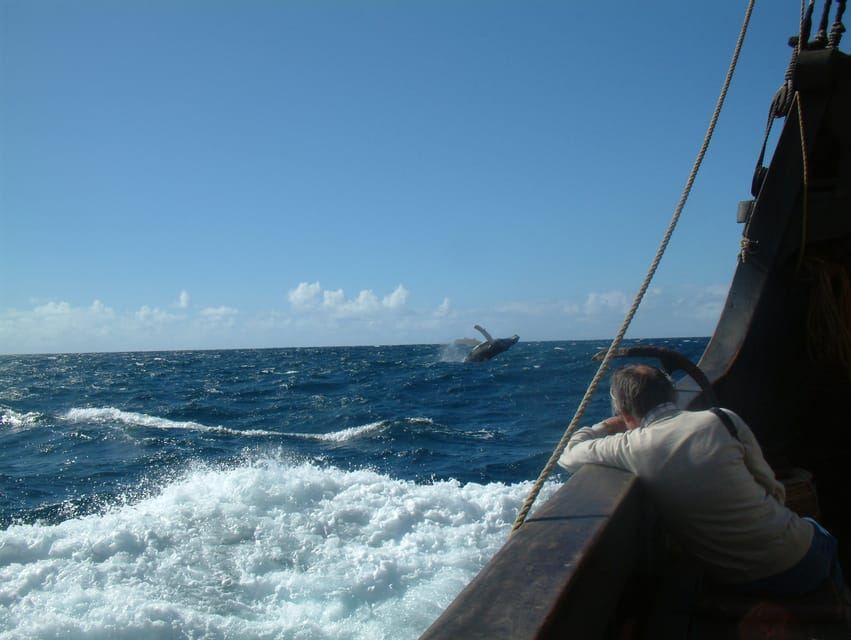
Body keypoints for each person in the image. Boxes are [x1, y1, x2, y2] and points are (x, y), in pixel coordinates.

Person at [558, 364, 845, 596]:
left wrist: (607, 425)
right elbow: (772, 488)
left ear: (624, 412)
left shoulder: (629, 447)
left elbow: (568, 454)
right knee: (819, 533)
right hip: (795, 559)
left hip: (734, 580)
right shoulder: (722, 419)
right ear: (671, 395)